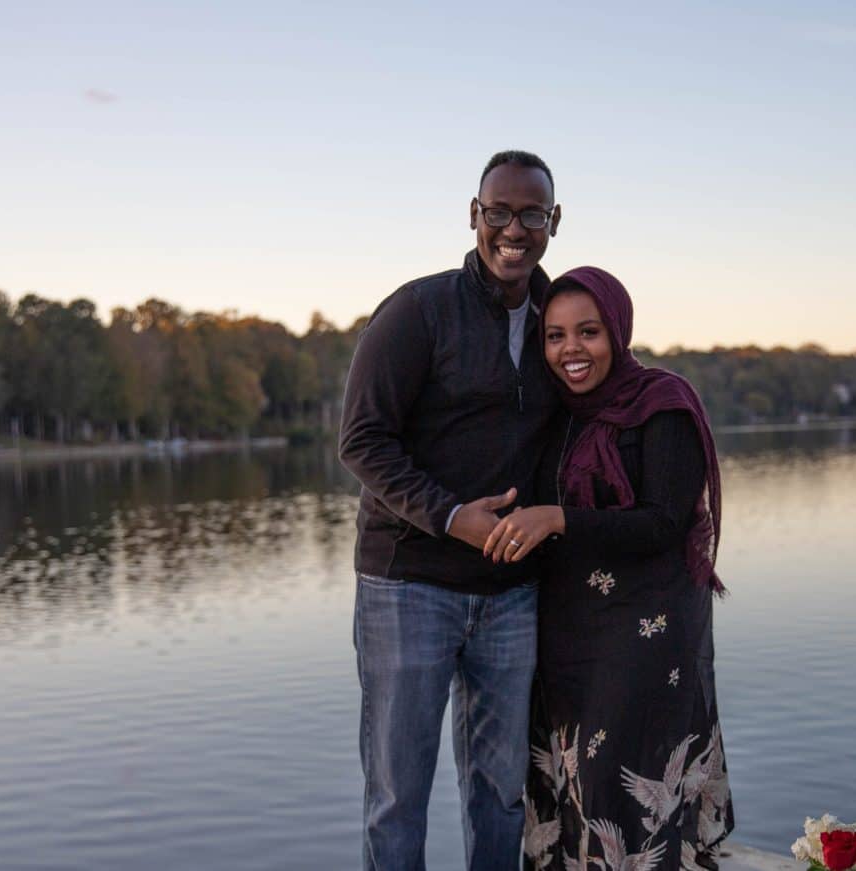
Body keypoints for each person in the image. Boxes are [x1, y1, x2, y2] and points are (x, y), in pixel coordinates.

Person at [338, 150, 562, 870]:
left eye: (531, 213)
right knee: (398, 798)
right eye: (499, 211)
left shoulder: (561, 321)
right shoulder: (419, 310)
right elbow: (361, 440)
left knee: (500, 792)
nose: (513, 228)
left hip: (510, 593)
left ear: (554, 222)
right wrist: (452, 514)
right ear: (475, 215)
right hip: (409, 585)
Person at [482, 267, 734, 870]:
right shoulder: (555, 416)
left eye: (588, 332)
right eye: (554, 335)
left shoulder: (661, 403)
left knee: (623, 790)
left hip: (645, 636)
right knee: (569, 787)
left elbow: (665, 521)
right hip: (567, 636)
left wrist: (559, 519)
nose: (571, 349)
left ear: (617, 332)